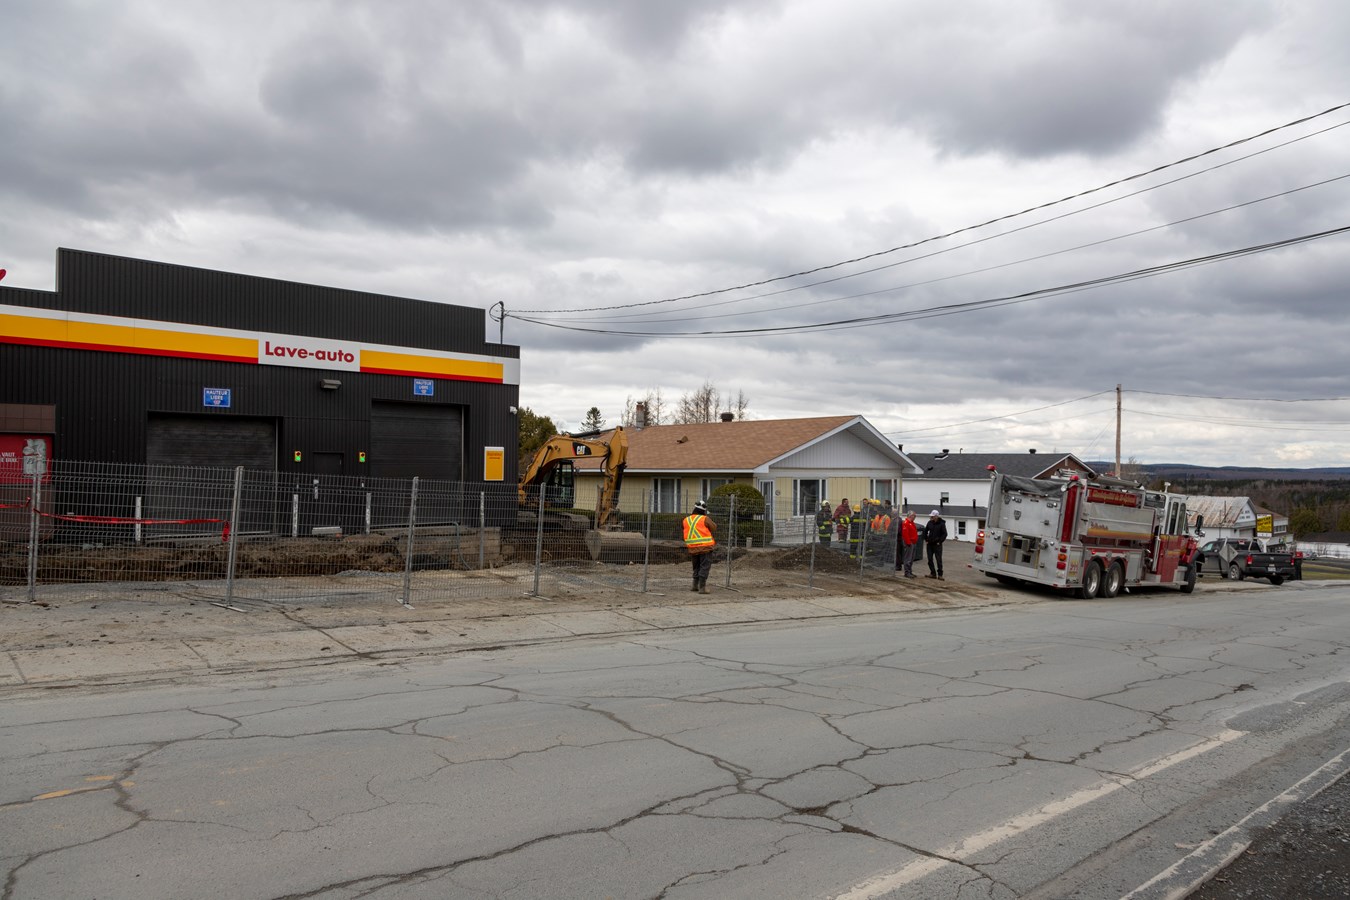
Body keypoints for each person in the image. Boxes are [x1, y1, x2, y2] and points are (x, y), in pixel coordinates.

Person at [682, 499, 718, 593]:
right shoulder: (704, 518)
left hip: (692, 548)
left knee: (696, 566)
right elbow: (714, 527)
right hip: (705, 547)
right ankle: (702, 588)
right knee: (704, 566)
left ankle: (694, 585)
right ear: (703, 510)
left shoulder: (686, 520)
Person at [925, 509, 948, 579]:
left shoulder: (942, 524)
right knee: (930, 559)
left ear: (936, 516)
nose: (931, 517)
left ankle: (940, 574)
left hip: (937, 545)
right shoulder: (929, 523)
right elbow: (925, 531)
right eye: (931, 516)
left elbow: (945, 534)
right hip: (930, 544)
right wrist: (926, 539)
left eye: (932, 516)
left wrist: (940, 541)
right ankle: (933, 573)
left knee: (938, 560)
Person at [899, 511, 920, 578]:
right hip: (909, 543)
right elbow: (905, 534)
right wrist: (908, 543)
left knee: (911, 558)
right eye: (914, 516)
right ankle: (907, 572)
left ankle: (909, 571)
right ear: (910, 516)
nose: (915, 517)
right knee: (908, 558)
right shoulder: (906, 523)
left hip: (913, 542)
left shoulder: (912, 523)